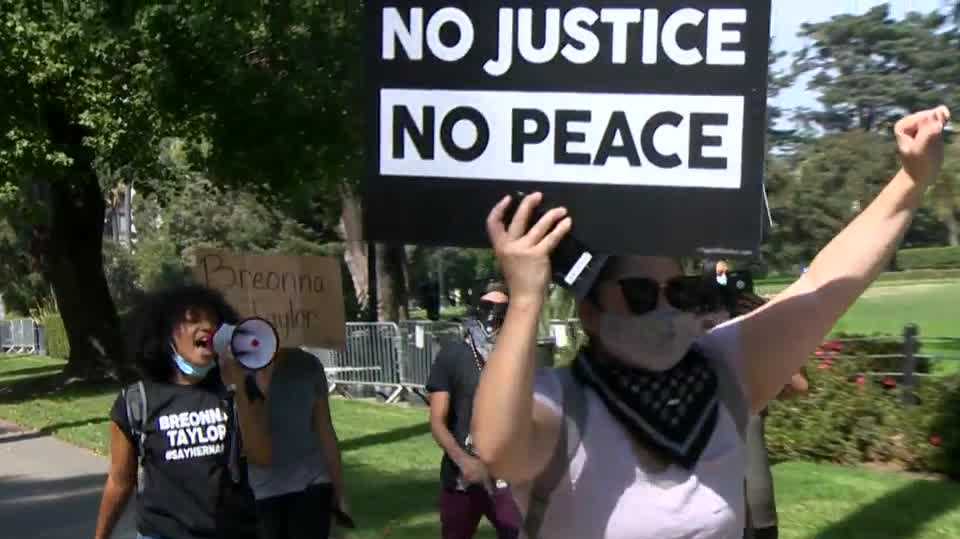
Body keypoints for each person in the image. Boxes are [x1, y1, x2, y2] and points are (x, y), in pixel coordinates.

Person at [470, 106, 950, 538]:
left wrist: (911, 180)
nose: (664, 308)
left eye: (680, 291)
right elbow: (497, 449)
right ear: (590, 312)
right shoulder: (562, 403)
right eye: (639, 294)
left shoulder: (724, 372)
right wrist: (526, 297)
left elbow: (822, 284)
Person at [94, 285, 263, 539]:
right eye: (193, 319)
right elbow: (120, 481)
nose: (207, 327)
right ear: (165, 334)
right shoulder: (137, 401)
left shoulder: (238, 389)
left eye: (213, 321)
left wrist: (238, 384)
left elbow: (263, 455)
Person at [426, 282, 522, 539]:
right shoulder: (452, 355)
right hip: (461, 478)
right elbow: (437, 421)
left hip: (506, 478)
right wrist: (463, 460)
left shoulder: (517, 359)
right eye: (487, 308)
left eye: (501, 312)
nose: (493, 320)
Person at [230, 346, 349, 539]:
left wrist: (339, 490)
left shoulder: (308, 364)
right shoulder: (239, 366)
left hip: (312, 484)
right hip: (261, 490)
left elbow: (324, 428)